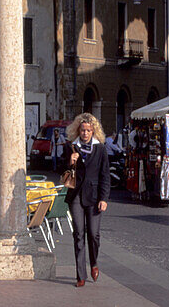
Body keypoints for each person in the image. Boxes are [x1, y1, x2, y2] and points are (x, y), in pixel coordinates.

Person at [64, 112, 110, 287]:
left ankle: (94, 262)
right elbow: (61, 170)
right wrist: (70, 161)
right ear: (78, 131)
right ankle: (80, 275)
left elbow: (105, 175)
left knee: (93, 234)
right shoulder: (71, 147)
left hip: (94, 196)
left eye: (88, 130)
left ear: (93, 131)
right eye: (82, 130)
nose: (85, 133)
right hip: (75, 195)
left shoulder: (100, 148)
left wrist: (104, 198)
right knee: (78, 234)